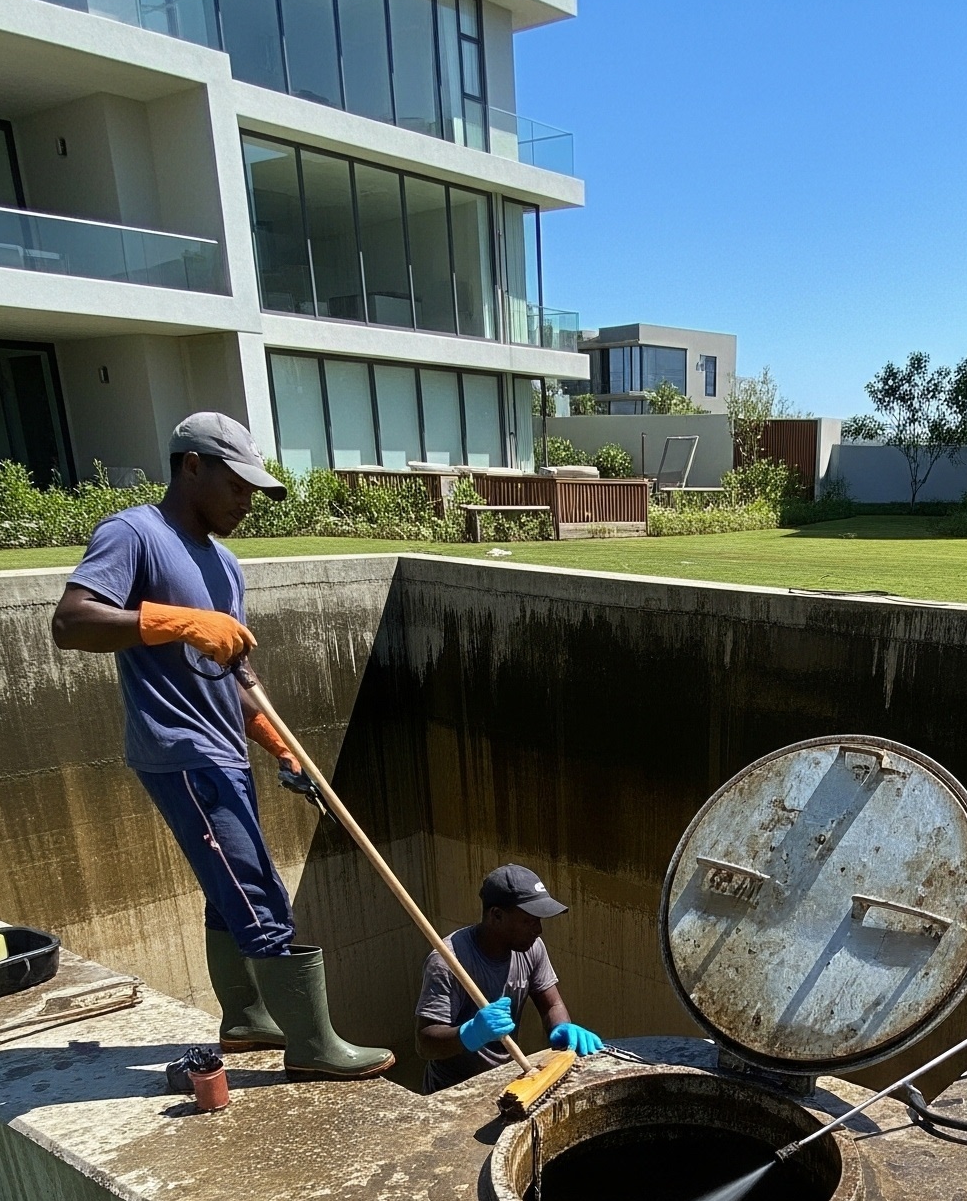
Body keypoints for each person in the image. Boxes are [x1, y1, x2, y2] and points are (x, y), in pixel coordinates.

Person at [51, 411, 390, 1081]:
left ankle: (244, 1017)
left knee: (224, 886)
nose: (246, 502)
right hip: (178, 749)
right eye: (237, 485)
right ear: (192, 465)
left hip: (223, 748)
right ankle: (313, 1046)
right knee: (259, 888)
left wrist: (281, 747)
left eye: (253, 491)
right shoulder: (135, 533)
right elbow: (71, 623)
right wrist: (176, 621)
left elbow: (238, 675)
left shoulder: (225, 565)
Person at [415, 864, 604, 1093]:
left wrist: (561, 1028)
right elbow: (425, 1044)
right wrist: (469, 1033)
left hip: (503, 1081)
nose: (539, 930)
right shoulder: (447, 962)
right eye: (529, 921)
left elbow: (551, 1004)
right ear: (496, 915)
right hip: (452, 1091)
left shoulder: (531, 948)